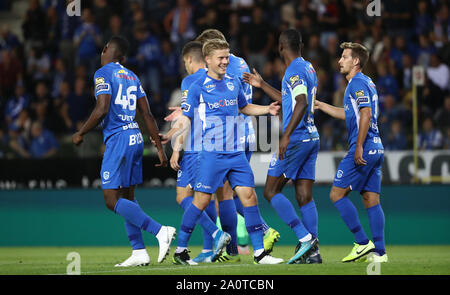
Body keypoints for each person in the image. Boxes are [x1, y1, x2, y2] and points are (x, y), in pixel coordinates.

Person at [164, 29, 281, 262]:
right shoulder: (198, 85)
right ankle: (181, 250)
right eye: (221, 58)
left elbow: (243, 107)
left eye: (227, 57)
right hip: (212, 154)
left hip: (236, 152)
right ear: (207, 59)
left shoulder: (232, 82)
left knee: (249, 197)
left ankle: (259, 253)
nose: (226, 61)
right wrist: (174, 135)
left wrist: (266, 109)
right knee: (200, 202)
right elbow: (186, 116)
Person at [72, 36, 176, 267]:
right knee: (128, 197)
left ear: (108, 50)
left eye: (104, 47)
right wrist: (159, 149)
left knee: (111, 200)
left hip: (118, 139)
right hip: (136, 137)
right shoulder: (133, 76)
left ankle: (160, 231)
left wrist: (81, 133)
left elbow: (102, 108)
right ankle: (139, 251)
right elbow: (147, 115)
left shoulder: (102, 73)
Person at [243, 29, 320, 264]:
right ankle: (313, 251)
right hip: (312, 137)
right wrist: (262, 84)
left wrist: (285, 136)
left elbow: (300, 103)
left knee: (270, 191)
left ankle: (305, 238)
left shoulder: (294, 70)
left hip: (296, 139)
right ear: (301, 45)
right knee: (304, 196)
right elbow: (291, 98)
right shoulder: (308, 67)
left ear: (280, 47)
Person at [314, 42, 388, 263]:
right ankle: (380, 253)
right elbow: (352, 114)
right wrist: (322, 105)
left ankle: (362, 243)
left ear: (356, 61)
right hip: (377, 147)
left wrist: (358, 146)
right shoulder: (367, 83)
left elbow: (365, 113)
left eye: (344, 57)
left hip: (364, 147)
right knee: (371, 199)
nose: (339, 61)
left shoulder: (356, 83)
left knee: (336, 194)